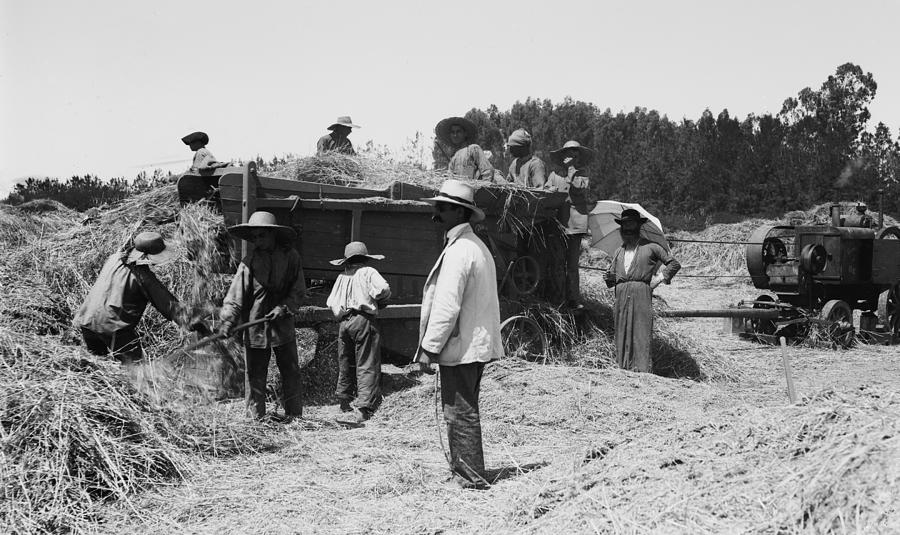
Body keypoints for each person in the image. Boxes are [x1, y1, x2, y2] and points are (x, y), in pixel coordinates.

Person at [417, 179, 504, 489]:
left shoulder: (460, 251)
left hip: (463, 344)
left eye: (440, 208)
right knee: (462, 408)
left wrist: (430, 348)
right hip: (471, 343)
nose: (434, 215)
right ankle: (465, 470)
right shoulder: (473, 246)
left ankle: (471, 477)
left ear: (457, 212)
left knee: (459, 411)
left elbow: (447, 306)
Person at [219, 211, 306, 421]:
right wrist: (228, 320)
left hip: (283, 326)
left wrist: (284, 308)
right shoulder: (248, 262)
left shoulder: (291, 257)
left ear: (273, 235)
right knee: (255, 375)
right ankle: (254, 419)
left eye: (262, 236)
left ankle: (294, 416)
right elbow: (235, 296)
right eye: (254, 237)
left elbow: (298, 291)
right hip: (256, 328)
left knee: (291, 371)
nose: (257, 241)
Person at [74, 231, 206, 365]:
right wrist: (197, 324)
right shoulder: (143, 277)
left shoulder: (114, 258)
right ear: (149, 256)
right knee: (137, 370)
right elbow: (170, 307)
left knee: (97, 365)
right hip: (113, 329)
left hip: (87, 320)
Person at [603, 209, 681, 373]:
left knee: (641, 329)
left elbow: (674, 264)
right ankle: (623, 368)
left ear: (638, 226)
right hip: (621, 295)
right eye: (624, 225)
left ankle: (642, 370)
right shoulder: (618, 252)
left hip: (641, 293)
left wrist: (658, 279)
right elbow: (611, 280)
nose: (627, 228)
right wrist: (608, 277)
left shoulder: (652, 247)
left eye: (631, 224)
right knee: (621, 329)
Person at [326, 241, 392, 426]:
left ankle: (344, 400)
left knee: (345, 360)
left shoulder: (341, 276)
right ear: (364, 258)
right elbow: (383, 289)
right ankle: (364, 408)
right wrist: (381, 301)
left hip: (344, 322)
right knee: (367, 361)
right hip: (363, 319)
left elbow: (331, 302)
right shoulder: (368, 272)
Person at [544, 140, 595, 308]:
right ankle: (559, 297)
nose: (571, 155)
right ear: (562, 156)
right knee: (557, 263)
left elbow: (579, 188)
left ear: (579, 155)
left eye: (575, 152)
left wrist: (572, 169)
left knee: (572, 264)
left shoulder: (583, 173)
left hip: (575, 224)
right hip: (558, 223)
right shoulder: (554, 175)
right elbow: (545, 191)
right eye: (568, 152)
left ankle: (574, 299)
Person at [433, 116, 495, 181]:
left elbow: (487, 170)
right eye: (453, 132)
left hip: (475, 188)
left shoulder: (473, 149)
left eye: (458, 132)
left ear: (465, 134)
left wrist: (484, 187)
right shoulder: (454, 158)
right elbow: (451, 179)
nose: (455, 135)